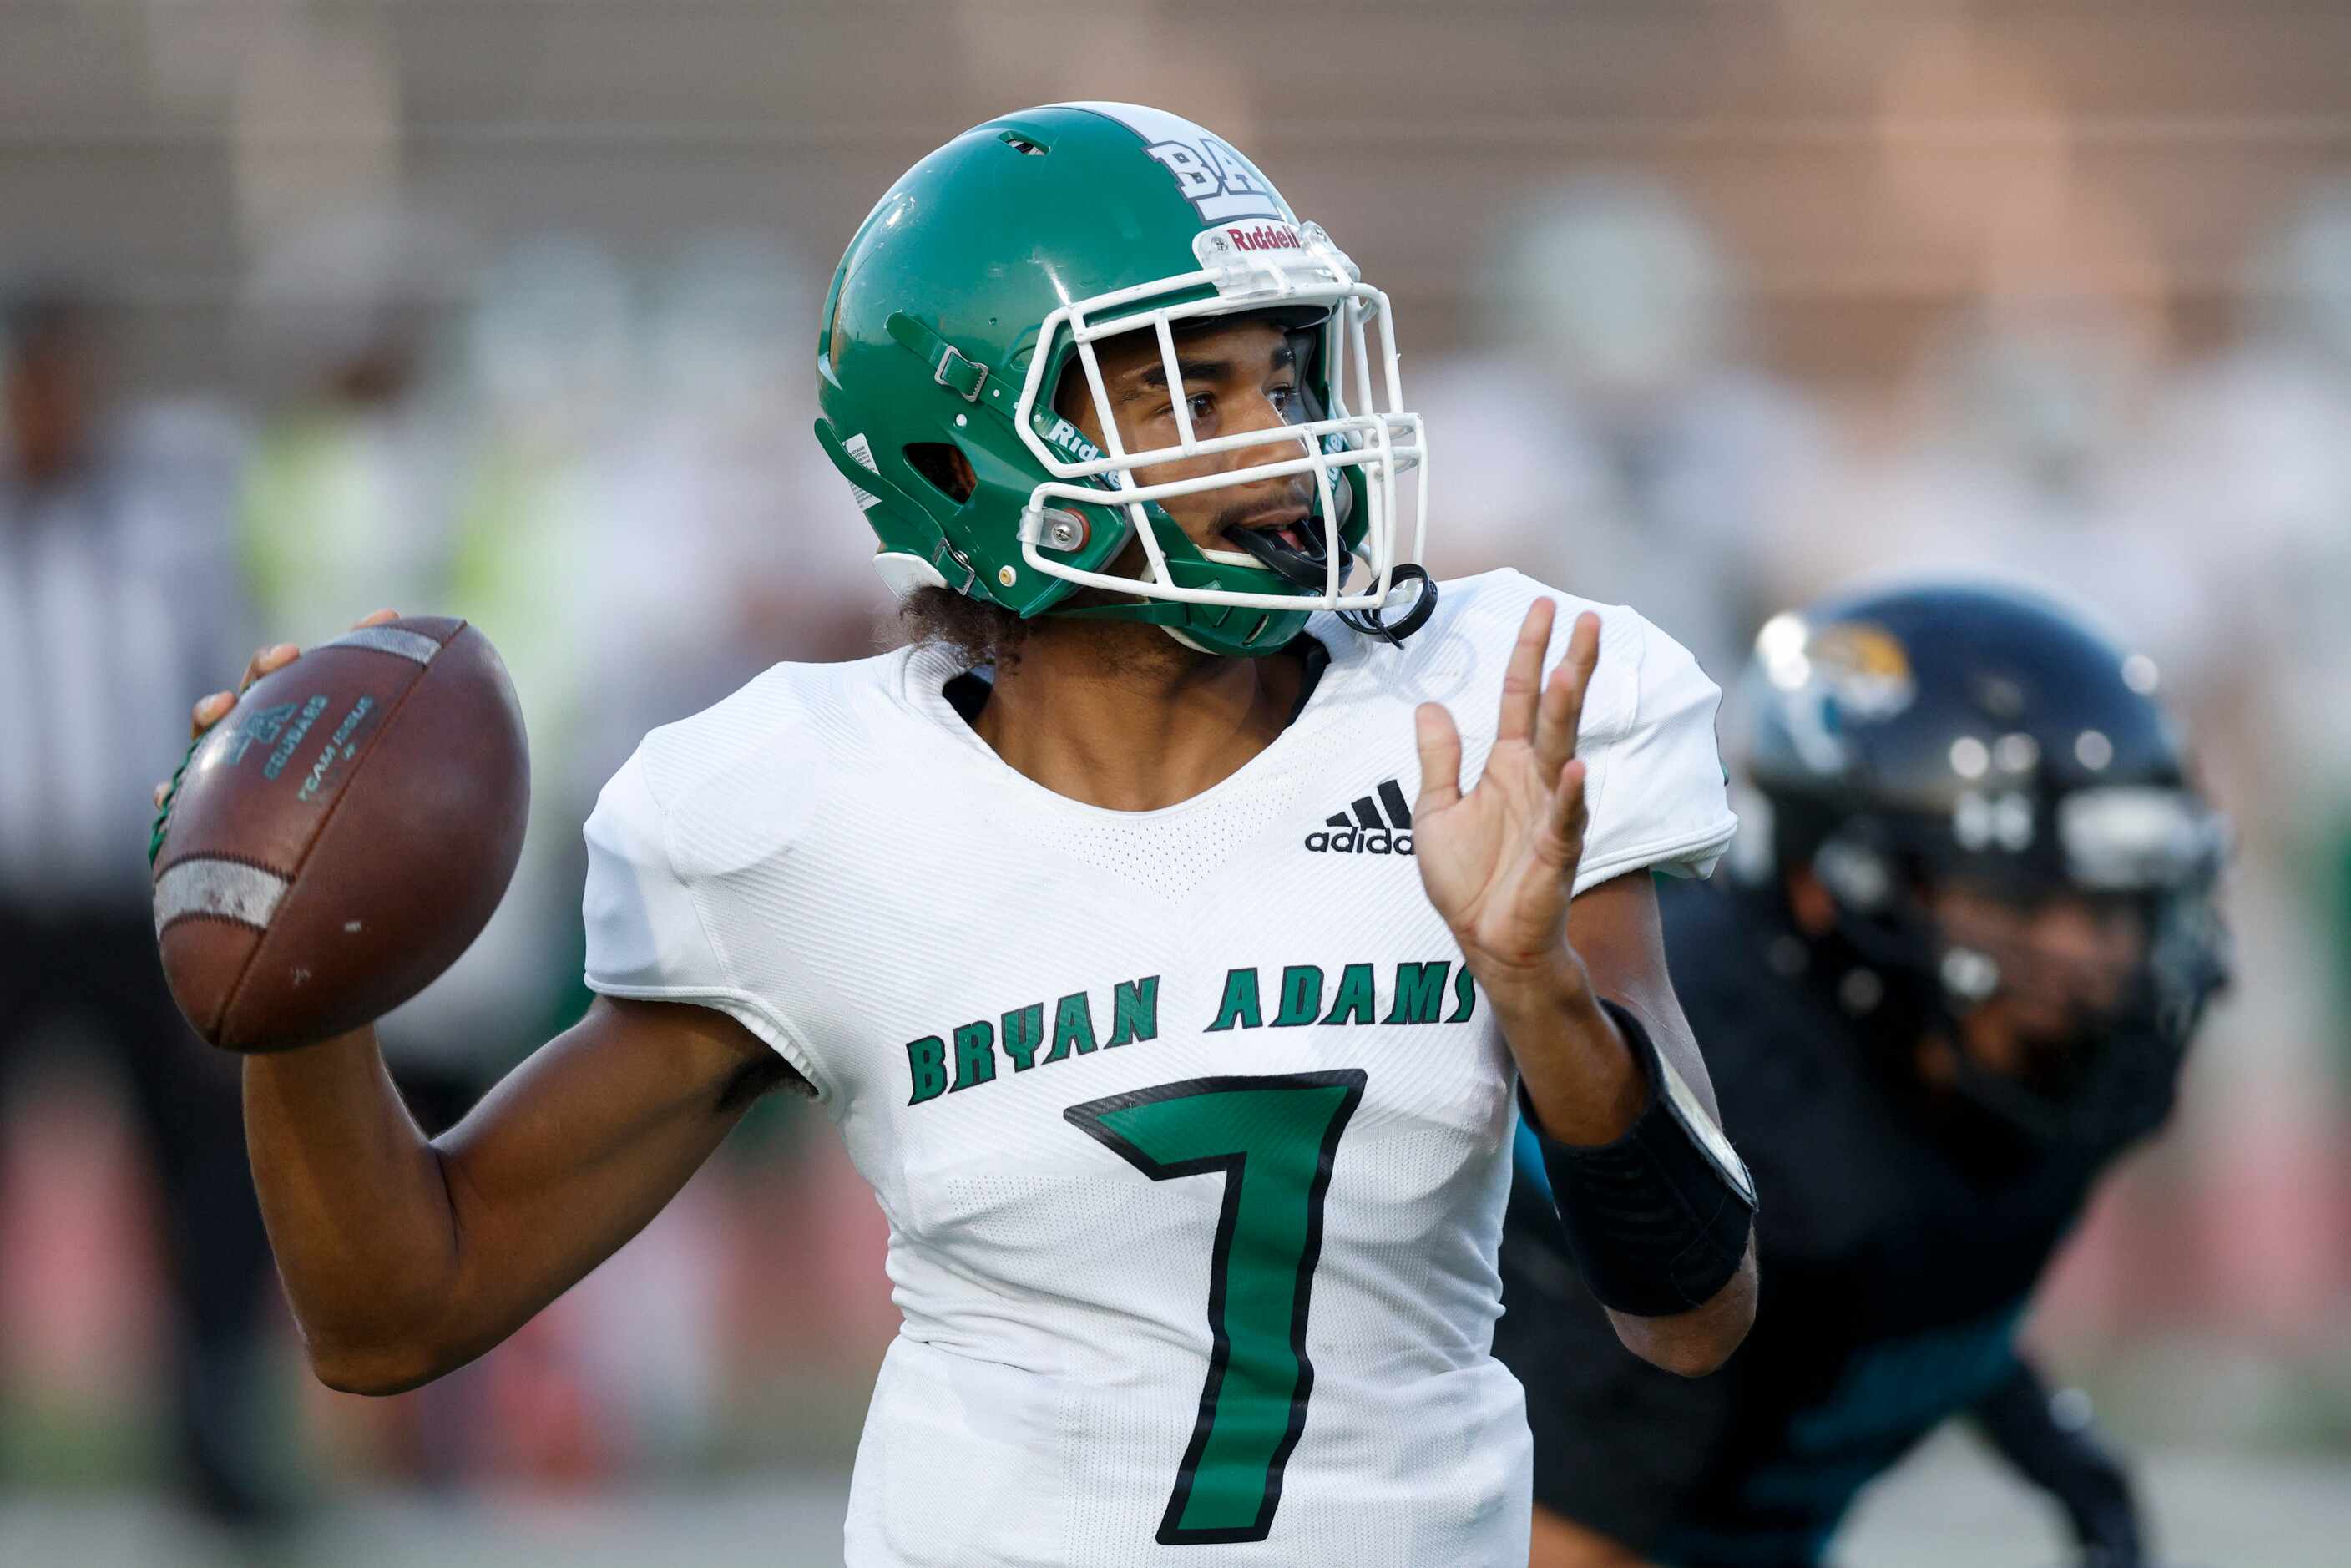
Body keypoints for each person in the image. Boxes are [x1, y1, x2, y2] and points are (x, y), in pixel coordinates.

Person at [159, 104, 1757, 1565]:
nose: (1278, 445)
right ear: (965, 454)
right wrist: (303, 969)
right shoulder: (809, 811)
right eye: (1188, 392)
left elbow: (1693, 1309)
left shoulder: (1493, 712)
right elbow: (397, 1311)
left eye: (1283, 374)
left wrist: (1539, 984)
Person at [1494, 581, 2230, 1568]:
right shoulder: (1729, 1117)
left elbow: (1913, 1244)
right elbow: (1557, 1541)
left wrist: (2019, 1410)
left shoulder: (2036, 1070)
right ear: (1826, 888)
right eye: (2019, 902)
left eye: (2110, 909)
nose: (2088, 962)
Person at [0, 289, 281, 1525]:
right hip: (5, 905)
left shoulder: (163, 529)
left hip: (132, 898)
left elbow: (222, 694)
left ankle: (212, 1434)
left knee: (203, 1175)